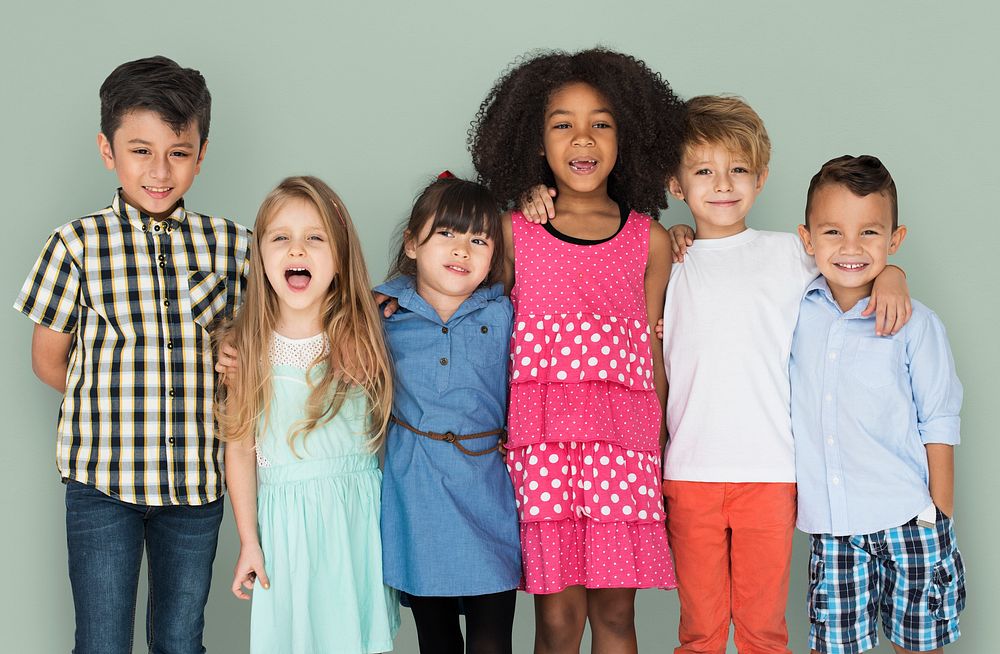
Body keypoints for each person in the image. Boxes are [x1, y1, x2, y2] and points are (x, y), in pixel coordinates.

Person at [652, 96, 911, 654]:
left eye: (738, 170)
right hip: (688, 472)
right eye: (703, 171)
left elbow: (852, 264)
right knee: (698, 630)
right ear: (676, 184)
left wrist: (893, 274)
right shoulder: (668, 259)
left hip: (770, 473)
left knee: (763, 630)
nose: (722, 184)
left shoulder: (788, 253)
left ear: (761, 178)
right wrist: (671, 238)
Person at [14, 55, 250, 654]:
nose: (159, 170)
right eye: (140, 150)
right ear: (107, 149)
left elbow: (259, 344)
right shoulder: (75, 244)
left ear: (201, 152)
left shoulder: (235, 245)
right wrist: (116, 401)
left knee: (180, 640)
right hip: (103, 480)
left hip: (196, 484)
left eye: (178, 150)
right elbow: (48, 360)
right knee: (101, 640)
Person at [468, 48, 684, 654]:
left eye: (602, 123)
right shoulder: (515, 231)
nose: (582, 138)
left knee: (616, 620)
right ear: (535, 141)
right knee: (557, 624)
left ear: (628, 137)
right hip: (544, 452)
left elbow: (653, 354)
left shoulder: (652, 239)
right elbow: (465, 307)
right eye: (562, 123)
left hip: (624, 451)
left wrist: (662, 445)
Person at [217, 176, 399, 653]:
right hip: (286, 531)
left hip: (356, 524)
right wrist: (248, 540)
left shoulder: (367, 336)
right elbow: (237, 448)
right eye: (280, 238)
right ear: (259, 257)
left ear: (339, 257)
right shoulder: (247, 349)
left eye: (314, 238)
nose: (297, 249)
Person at [793, 155, 965, 654]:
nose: (850, 248)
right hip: (833, 528)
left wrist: (940, 511)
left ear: (895, 240)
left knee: (918, 644)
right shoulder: (794, 312)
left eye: (869, 233)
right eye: (832, 233)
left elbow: (938, 418)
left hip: (909, 517)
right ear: (807, 239)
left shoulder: (916, 324)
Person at [375, 174, 521, 654]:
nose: (462, 250)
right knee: (436, 640)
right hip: (416, 494)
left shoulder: (504, 313)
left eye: (478, 240)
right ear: (413, 243)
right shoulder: (383, 314)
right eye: (447, 234)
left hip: (488, 491)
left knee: (492, 640)